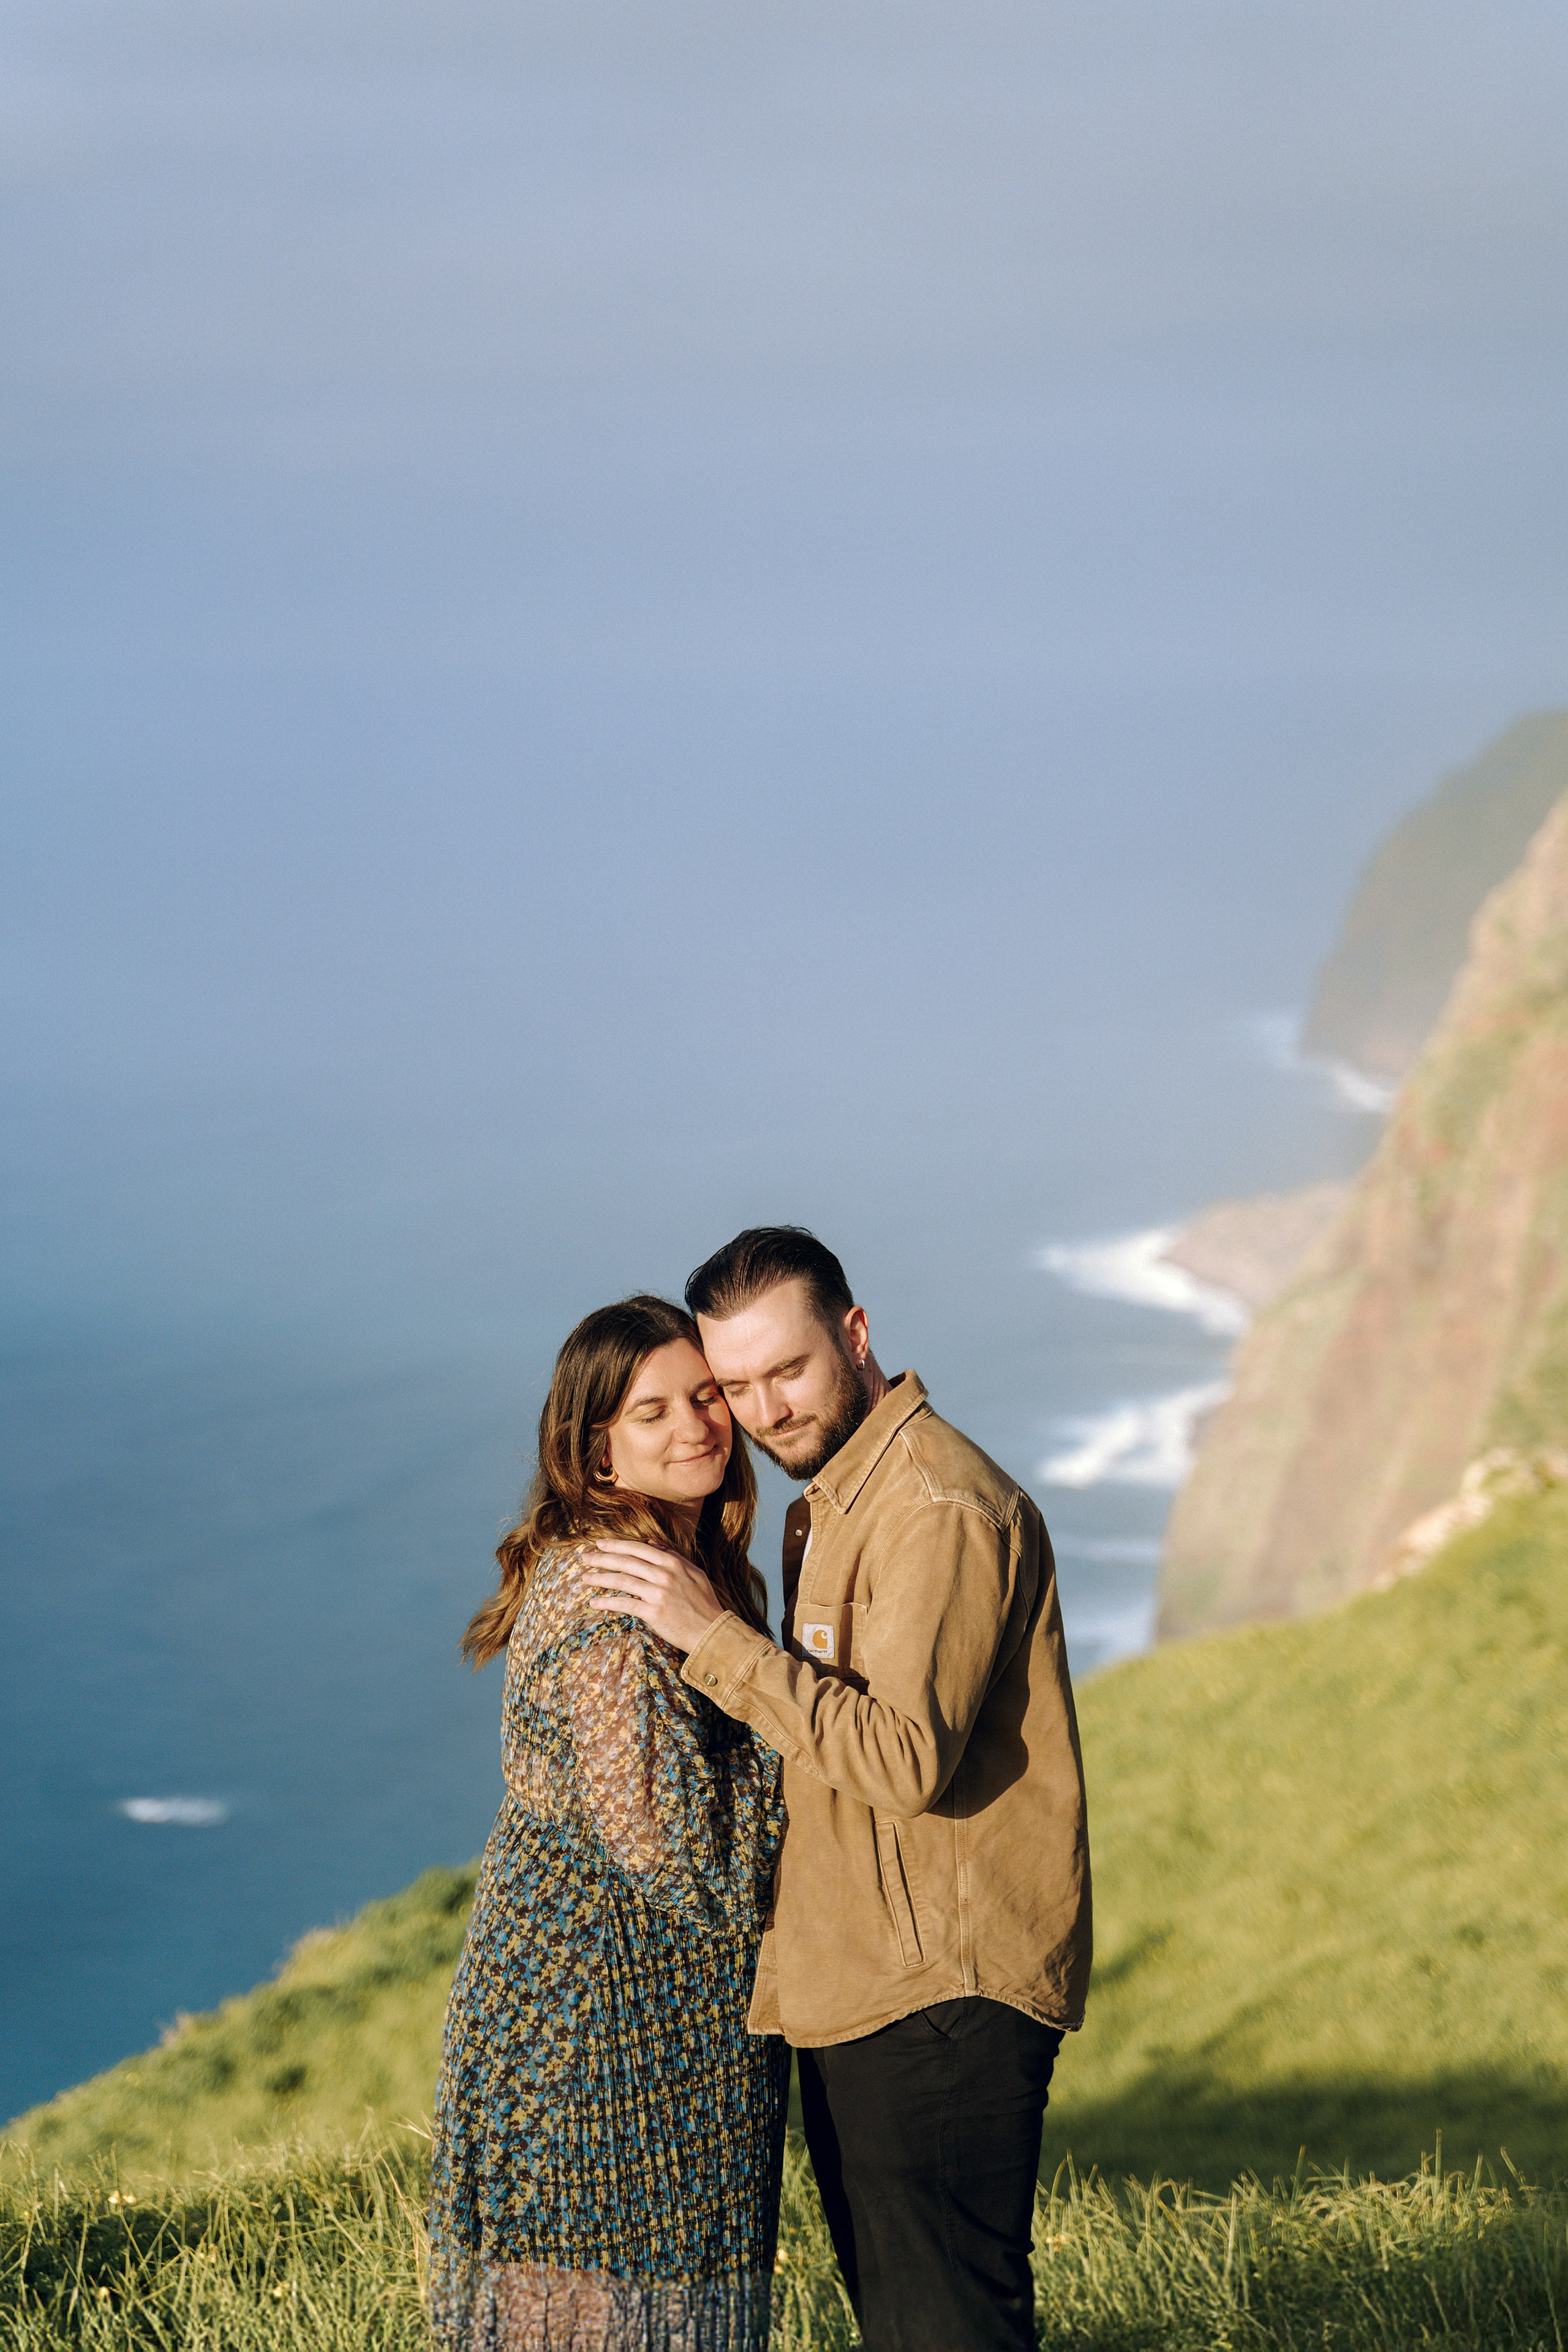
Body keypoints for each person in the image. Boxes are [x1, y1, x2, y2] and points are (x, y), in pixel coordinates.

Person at [579, 1230, 1091, 2352]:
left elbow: (905, 1759)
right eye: (737, 1386)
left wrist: (713, 1638)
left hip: (940, 1986)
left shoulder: (934, 1508)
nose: (764, 1411)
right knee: (907, 2317)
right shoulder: (839, 1499)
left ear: (855, 1336)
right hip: (873, 1976)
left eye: (789, 1371)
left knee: (946, 2324)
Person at [428, 1294, 790, 2352]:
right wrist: (809, 1731)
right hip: (591, 2045)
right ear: (596, 1453)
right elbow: (689, 1862)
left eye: (707, 1396)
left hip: (658, 2038)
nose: (697, 1427)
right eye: (652, 1412)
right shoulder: (614, 1612)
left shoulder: (685, 1569)